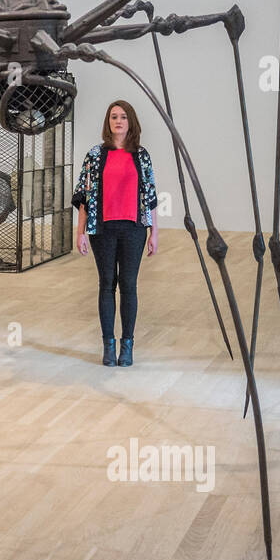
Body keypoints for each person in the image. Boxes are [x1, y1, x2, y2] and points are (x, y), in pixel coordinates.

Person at [72, 100, 158, 367]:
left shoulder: (141, 155)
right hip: (103, 229)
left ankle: (127, 345)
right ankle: (108, 345)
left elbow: (151, 196)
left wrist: (155, 233)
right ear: (108, 123)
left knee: (128, 285)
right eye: (113, 117)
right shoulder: (95, 155)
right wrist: (81, 232)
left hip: (133, 229)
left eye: (123, 117)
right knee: (107, 284)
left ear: (130, 122)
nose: (118, 121)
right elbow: (83, 196)